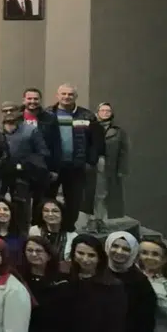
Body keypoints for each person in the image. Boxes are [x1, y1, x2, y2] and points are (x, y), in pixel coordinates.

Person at [47, 85, 105, 231]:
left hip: (76, 167)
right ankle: (48, 229)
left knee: (74, 203)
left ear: (75, 97)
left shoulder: (87, 115)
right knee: (48, 201)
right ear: (57, 95)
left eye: (70, 94)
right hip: (52, 167)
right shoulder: (47, 114)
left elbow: (96, 141)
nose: (67, 97)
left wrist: (90, 162)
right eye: (63, 94)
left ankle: (68, 230)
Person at [86, 102, 130, 228]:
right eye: (102, 110)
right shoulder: (90, 127)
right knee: (90, 193)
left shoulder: (118, 131)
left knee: (103, 193)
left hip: (109, 166)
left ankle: (100, 218)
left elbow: (124, 151)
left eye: (108, 111)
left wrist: (122, 169)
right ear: (97, 112)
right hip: (92, 164)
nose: (105, 113)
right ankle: (91, 219)